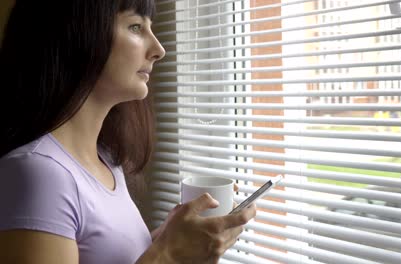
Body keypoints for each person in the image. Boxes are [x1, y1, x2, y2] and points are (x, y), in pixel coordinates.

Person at [0, 0, 256, 263]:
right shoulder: (36, 173)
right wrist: (169, 254)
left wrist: (173, 239)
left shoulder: (107, 162)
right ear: (73, 35)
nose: (159, 50)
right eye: (136, 26)